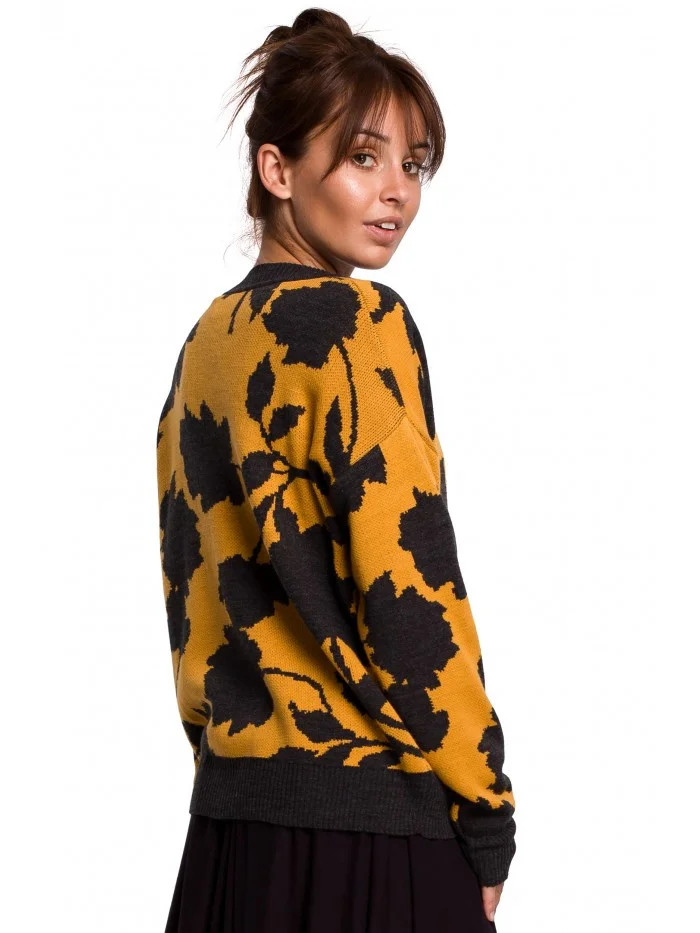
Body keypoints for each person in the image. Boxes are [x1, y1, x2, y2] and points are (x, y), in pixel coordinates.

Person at [157, 8, 517, 931]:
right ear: (277, 170)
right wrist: (487, 810)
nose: (397, 191)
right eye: (363, 157)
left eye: (414, 164)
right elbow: (412, 593)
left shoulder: (208, 345)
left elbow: (189, 585)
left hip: (229, 839)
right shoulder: (362, 325)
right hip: (373, 833)